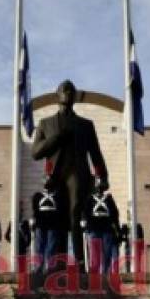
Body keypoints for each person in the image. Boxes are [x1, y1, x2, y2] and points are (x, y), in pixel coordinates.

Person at [31, 79, 108, 272]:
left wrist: (103, 176)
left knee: (74, 215)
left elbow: (95, 153)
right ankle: (58, 263)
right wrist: (56, 138)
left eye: (70, 90)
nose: (67, 91)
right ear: (57, 95)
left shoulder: (85, 125)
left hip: (77, 173)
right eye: (63, 89)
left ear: (74, 96)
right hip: (55, 176)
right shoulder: (46, 123)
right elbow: (35, 152)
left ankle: (80, 263)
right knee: (58, 219)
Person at [82, 177, 119, 275]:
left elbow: (115, 214)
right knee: (95, 255)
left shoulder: (109, 199)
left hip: (106, 228)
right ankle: (94, 275)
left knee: (107, 253)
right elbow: (85, 212)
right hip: (94, 228)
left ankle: (106, 275)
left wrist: (117, 228)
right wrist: (85, 223)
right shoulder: (90, 199)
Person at [31, 173, 67, 275]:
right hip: (40, 223)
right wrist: (33, 221)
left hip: (52, 224)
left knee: (50, 247)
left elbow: (60, 211)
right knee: (39, 247)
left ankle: (49, 267)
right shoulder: (37, 196)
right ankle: (38, 267)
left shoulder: (57, 196)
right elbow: (35, 210)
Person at [5, 201, 33, 267]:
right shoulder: (12, 222)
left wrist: (27, 244)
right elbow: (6, 235)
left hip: (22, 246)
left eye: (21, 211)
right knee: (15, 264)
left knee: (22, 264)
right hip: (16, 245)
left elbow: (29, 235)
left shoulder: (25, 222)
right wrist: (12, 242)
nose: (20, 213)